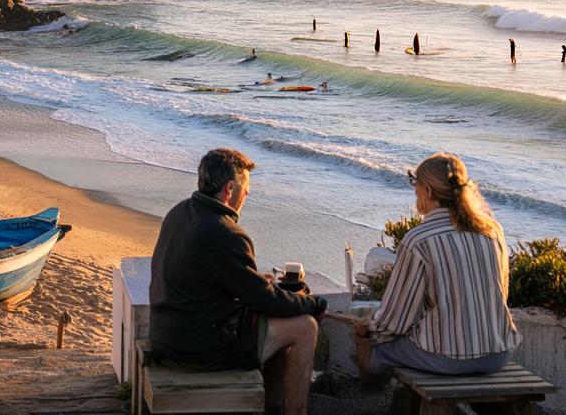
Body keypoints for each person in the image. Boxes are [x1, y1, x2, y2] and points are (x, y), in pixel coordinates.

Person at [150, 149, 327, 415]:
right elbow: (266, 300)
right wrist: (313, 303)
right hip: (198, 348)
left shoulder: (179, 213)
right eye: (245, 189)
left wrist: (256, 284)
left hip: (165, 334)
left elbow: (216, 278)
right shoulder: (227, 233)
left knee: (272, 323)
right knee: (305, 327)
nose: (247, 195)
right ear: (229, 188)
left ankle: (272, 405)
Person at [351, 153, 520, 381]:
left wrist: (369, 331)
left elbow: (396, 321)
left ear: (428, 191)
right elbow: (501, 293)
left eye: (416, 185)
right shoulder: (492, 230)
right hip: (499, 352)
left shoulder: (418, 240)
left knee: (373, 350)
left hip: (448, 357)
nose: (414, 192)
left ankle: (370, 399)